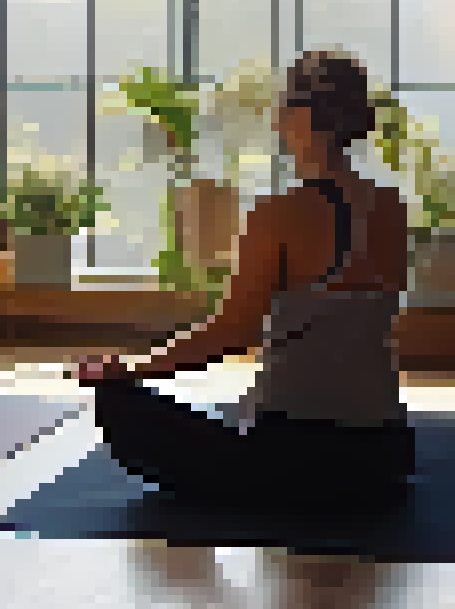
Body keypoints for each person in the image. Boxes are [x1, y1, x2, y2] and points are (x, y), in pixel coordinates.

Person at [73, 50, 415, 511]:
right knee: (223, 415)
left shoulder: (277, 212)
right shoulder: (391, 207)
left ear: (296, 117)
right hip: (384, 455)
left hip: (291, 457)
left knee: (118, 402)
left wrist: (128, 368)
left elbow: (231, 332)